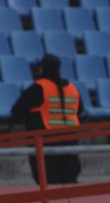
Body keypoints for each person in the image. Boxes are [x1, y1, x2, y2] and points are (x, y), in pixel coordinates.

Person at [10, 53, 82, 184]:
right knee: (70, 184)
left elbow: (17, 111)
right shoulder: (72, 88)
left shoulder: (38, 88)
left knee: (48, 185)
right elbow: (80, 110)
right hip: (70, 143)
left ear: (42, 69)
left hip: (45, 143)